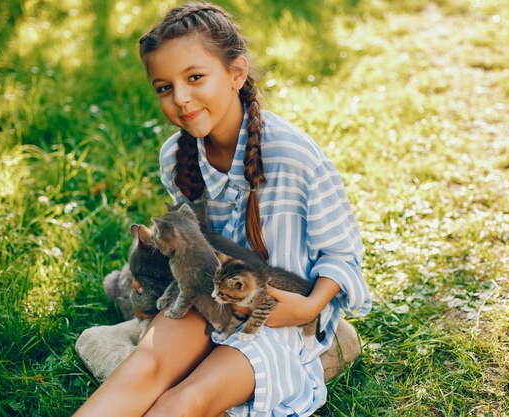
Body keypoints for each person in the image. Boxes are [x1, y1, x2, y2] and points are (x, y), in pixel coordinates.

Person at [73, 2, 371, 416]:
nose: (180, 98)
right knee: (144, 366)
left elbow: (342, 254)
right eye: (164, 87)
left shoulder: (294, 158)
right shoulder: (175, 156)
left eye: (195, 77)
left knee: (187, 399)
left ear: (236, 73)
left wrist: (307, 308)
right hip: (207, 297)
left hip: (275, 320)